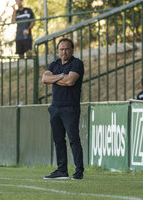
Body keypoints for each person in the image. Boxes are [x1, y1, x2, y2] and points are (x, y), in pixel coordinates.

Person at [42, 38, 84, 180]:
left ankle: (79, 171)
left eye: (66, 49)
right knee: (58, 140)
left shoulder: (77, 63)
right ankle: (62, 170)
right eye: (61, 49)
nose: (64, 52)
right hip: (55, 108)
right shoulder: (54, 64)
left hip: (70, 108)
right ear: (58, 50)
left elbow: (70, 81)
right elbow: (44, 79)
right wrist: (61, 76)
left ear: (72, 50)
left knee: (73, 139)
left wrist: (55, 78)